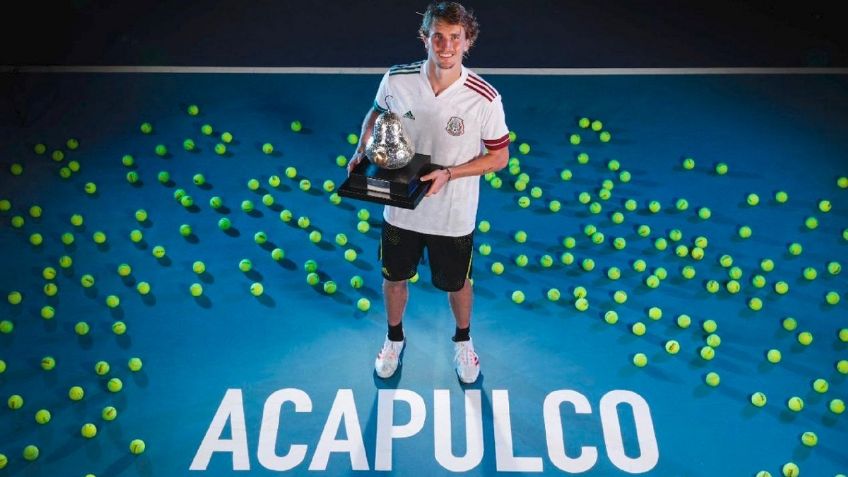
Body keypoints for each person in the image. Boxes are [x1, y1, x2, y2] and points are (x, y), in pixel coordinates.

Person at [348, 1, 509, 384]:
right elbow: (375, 112)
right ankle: (393, 338)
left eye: (455, 37)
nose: (446, 45)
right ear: (425, 39)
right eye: (438, 36)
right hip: (399, 208)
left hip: (453, 215)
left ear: (468, 42)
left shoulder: (484, 98)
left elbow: (499, 157)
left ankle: (463, 341)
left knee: (457, 283)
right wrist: (360, 149)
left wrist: (450, 174)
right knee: (393, 278)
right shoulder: (397, 79)